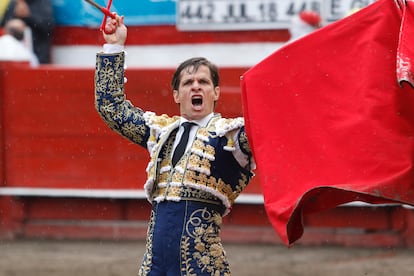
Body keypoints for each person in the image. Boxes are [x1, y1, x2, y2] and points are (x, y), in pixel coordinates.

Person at [95, 15, 255, 275]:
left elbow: (270, 128)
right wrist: (114, 45)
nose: (196, 87)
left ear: (216, 92)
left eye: (203, 82)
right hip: (154, 264)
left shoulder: (232, 136)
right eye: (188, 83)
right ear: (176, 95)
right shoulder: (160, 131)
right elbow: (111, 108)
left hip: (202, 266)